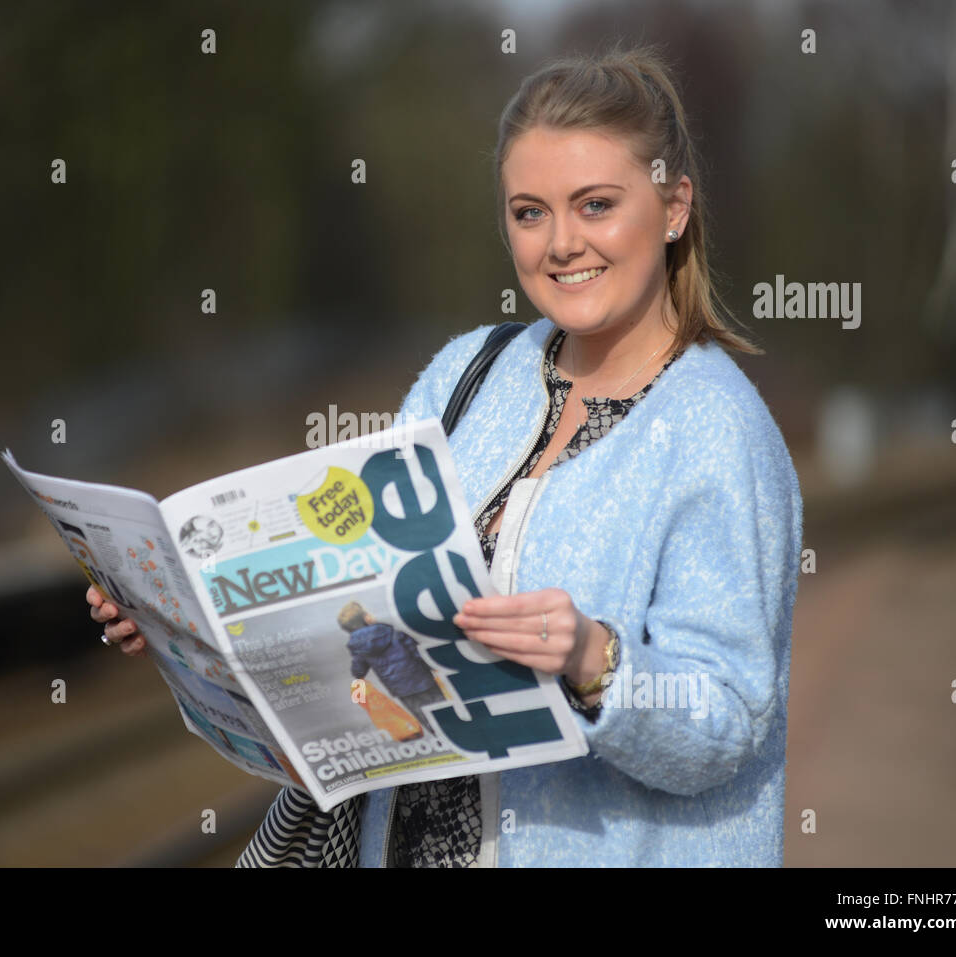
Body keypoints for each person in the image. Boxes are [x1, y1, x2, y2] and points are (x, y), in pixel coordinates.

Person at [89, 43, 802, 867]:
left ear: (674, 207)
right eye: (530, 212)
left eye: (596, 204)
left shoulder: (721, 430)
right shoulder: (468, 372)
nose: (562, 242)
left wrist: (592, 658)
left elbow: (730, 719)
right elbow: (350, 589)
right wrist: (184, 618)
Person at [336, 600, 448, 731]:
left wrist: (358, 673)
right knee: (444, 709)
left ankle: (441, 738)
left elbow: (358, 671)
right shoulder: (395, 634)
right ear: (367, 618)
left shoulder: (358, 648)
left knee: (423, 716)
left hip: (400, 690)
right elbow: (418, 654)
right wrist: (434, 667)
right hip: (423, 681)